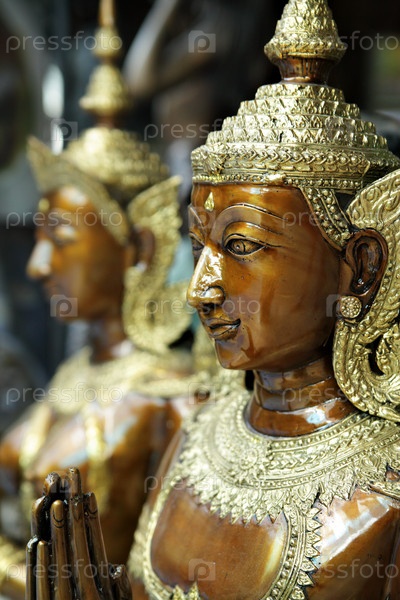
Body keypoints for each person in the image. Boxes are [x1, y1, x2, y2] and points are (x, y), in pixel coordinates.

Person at [26, 0, 400, 598]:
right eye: (199, 247)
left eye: (242, 246)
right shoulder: (202, 427)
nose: (200, 288)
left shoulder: (386, 489)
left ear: (359, 268)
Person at [0, 2, 209, 598]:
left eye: (61, 239)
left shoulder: (174, 398)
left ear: (139, 247)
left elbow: (166, 579)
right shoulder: (76, 372)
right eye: (40, 239)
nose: (39, 265)